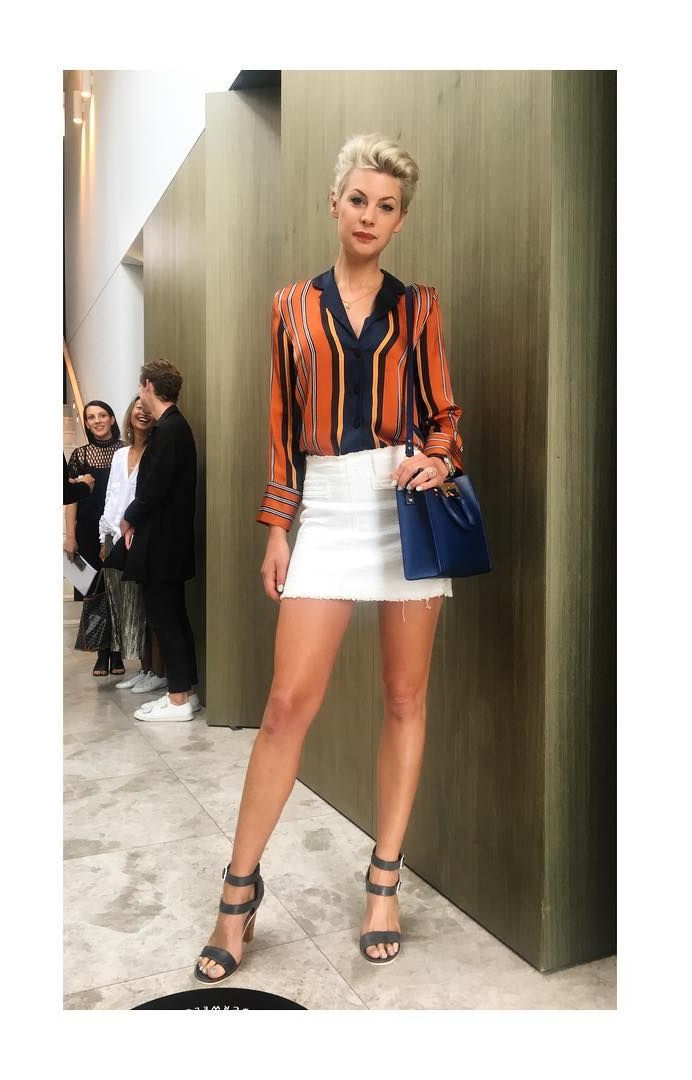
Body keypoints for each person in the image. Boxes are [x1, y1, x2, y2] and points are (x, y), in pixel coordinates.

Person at [195, 133, 465, 984]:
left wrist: (440, 461)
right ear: (334, 201)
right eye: (358, 200)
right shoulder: (290, 306)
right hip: (328, 507)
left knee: (404, 697)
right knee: (285, 706)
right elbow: (282, 426)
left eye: (386, 206)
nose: (369, 216)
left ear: (400, 219)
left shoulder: (419, 307)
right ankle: (239, 890)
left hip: (403, 507)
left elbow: (443, 414)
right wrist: (279, 528)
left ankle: (384, 881)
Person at [120, 359, 202, 721]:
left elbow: (153, 489)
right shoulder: (173, 426)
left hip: (162, 544)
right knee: (174, 617)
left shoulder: (169, 430)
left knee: (165, 618)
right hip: (170, 543)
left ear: (148, 386)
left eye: (141, 387)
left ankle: (178, 699)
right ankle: (185, 693)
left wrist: (129, 517)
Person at [98, 396, 168, 694]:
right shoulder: (119, 454)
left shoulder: (156, 452)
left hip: (141, 538)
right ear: (130, 414)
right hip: (115, 536)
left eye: (148, 408)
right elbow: (111, 496)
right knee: (130, 608)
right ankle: (145, 667)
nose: (143, 412)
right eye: (138, 407)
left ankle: (158, 671)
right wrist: (104, 536)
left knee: (148, 607)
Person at [65, 400, 125, 676]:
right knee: (94, 593)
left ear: (112, 419)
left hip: (117, 529)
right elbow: (71, 500)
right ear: (87, 424)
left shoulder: (125, 451)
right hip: (88, 531)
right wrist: (70, 536)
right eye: (91, 417)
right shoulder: (80, 456)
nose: (97, 420)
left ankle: (117, 652)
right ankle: (101, 653)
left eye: (102, 415)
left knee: (117, 589)